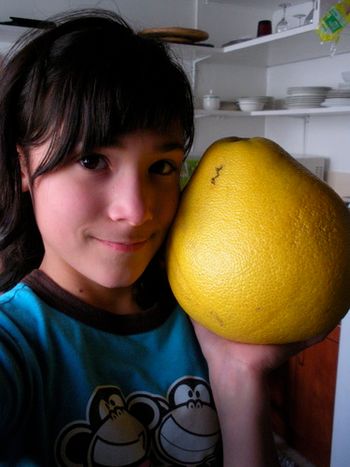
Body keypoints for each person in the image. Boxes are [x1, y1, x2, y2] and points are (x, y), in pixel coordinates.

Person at [0, 9, 324, 467]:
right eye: (92, 160)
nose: (137, 211)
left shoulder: (209, 319)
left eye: (161, 167)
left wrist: (237, 376)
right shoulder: (16, 346)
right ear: (23, 167)